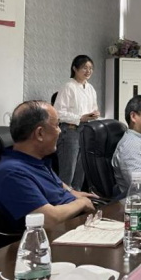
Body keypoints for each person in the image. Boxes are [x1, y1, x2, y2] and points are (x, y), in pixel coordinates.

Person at [0, 101, 96, 231]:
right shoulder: (11, 173)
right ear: (40, 133)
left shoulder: (36, 160)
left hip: (75, 222)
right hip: (57, 234)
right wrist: (81, 203)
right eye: (57, 125)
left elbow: (56, 183)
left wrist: (72, 192)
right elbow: (48, 219)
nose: (60, 131)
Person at [54, 55, 100, 190]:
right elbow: (58, 113)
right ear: (75, 68)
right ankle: (63, 200)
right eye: (84, 68)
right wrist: (80, 118)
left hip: (86, 131)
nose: (88, 71)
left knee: (81, 173)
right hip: (70, 131)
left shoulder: (90, 88)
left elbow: (94, 107)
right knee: (68, 173)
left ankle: (77, 199)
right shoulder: (68, 86)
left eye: (91, 68)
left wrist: (94, 114)